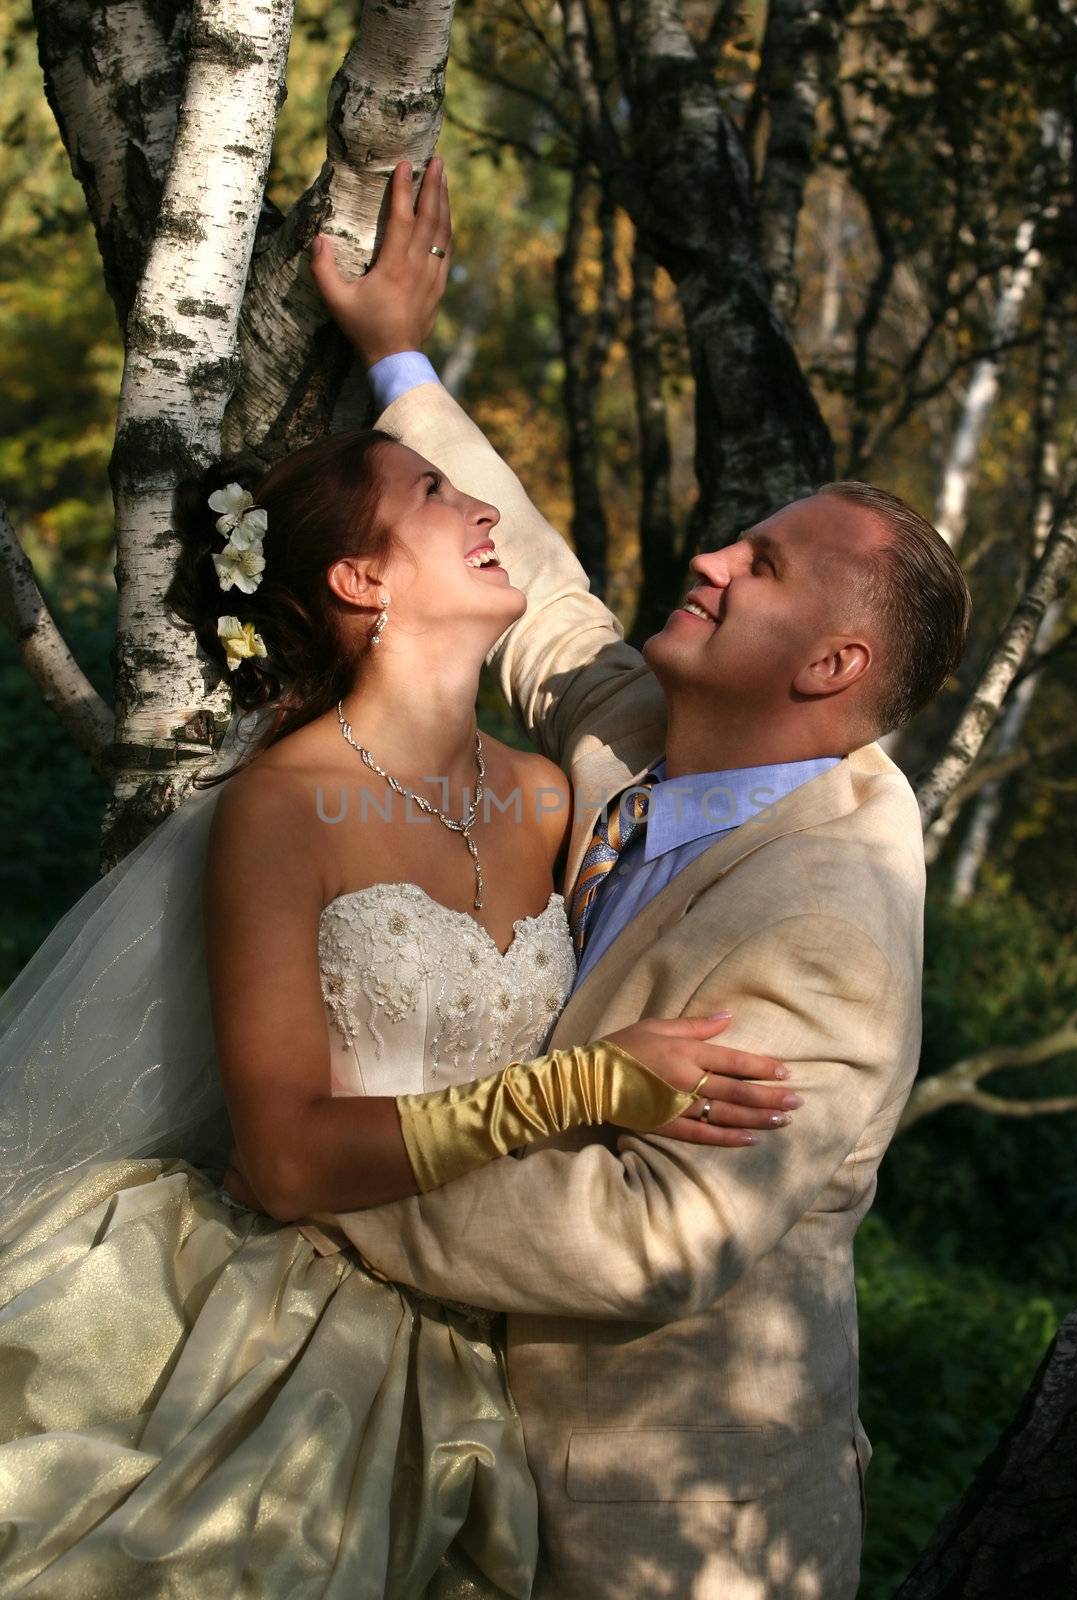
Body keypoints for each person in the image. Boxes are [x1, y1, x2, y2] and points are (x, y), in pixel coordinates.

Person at [0, 163, 797, 1599]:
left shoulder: (554, 795)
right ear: (362, 585)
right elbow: (290, 1158)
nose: (484, 509)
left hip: (470, 1357)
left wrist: (400, 349)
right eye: (438, 494)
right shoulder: (284, 806)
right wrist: (583, 1088)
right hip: (260, 1338)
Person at [305, 159, 973, 1598]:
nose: (712, 556)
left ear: (830, 667)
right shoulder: (658, 740)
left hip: (663, 1536)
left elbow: (647, 1235)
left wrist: (328, 1173)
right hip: (477, 1469)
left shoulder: (830, 923)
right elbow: (538, 600)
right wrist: (394, 351)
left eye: (767, 565)